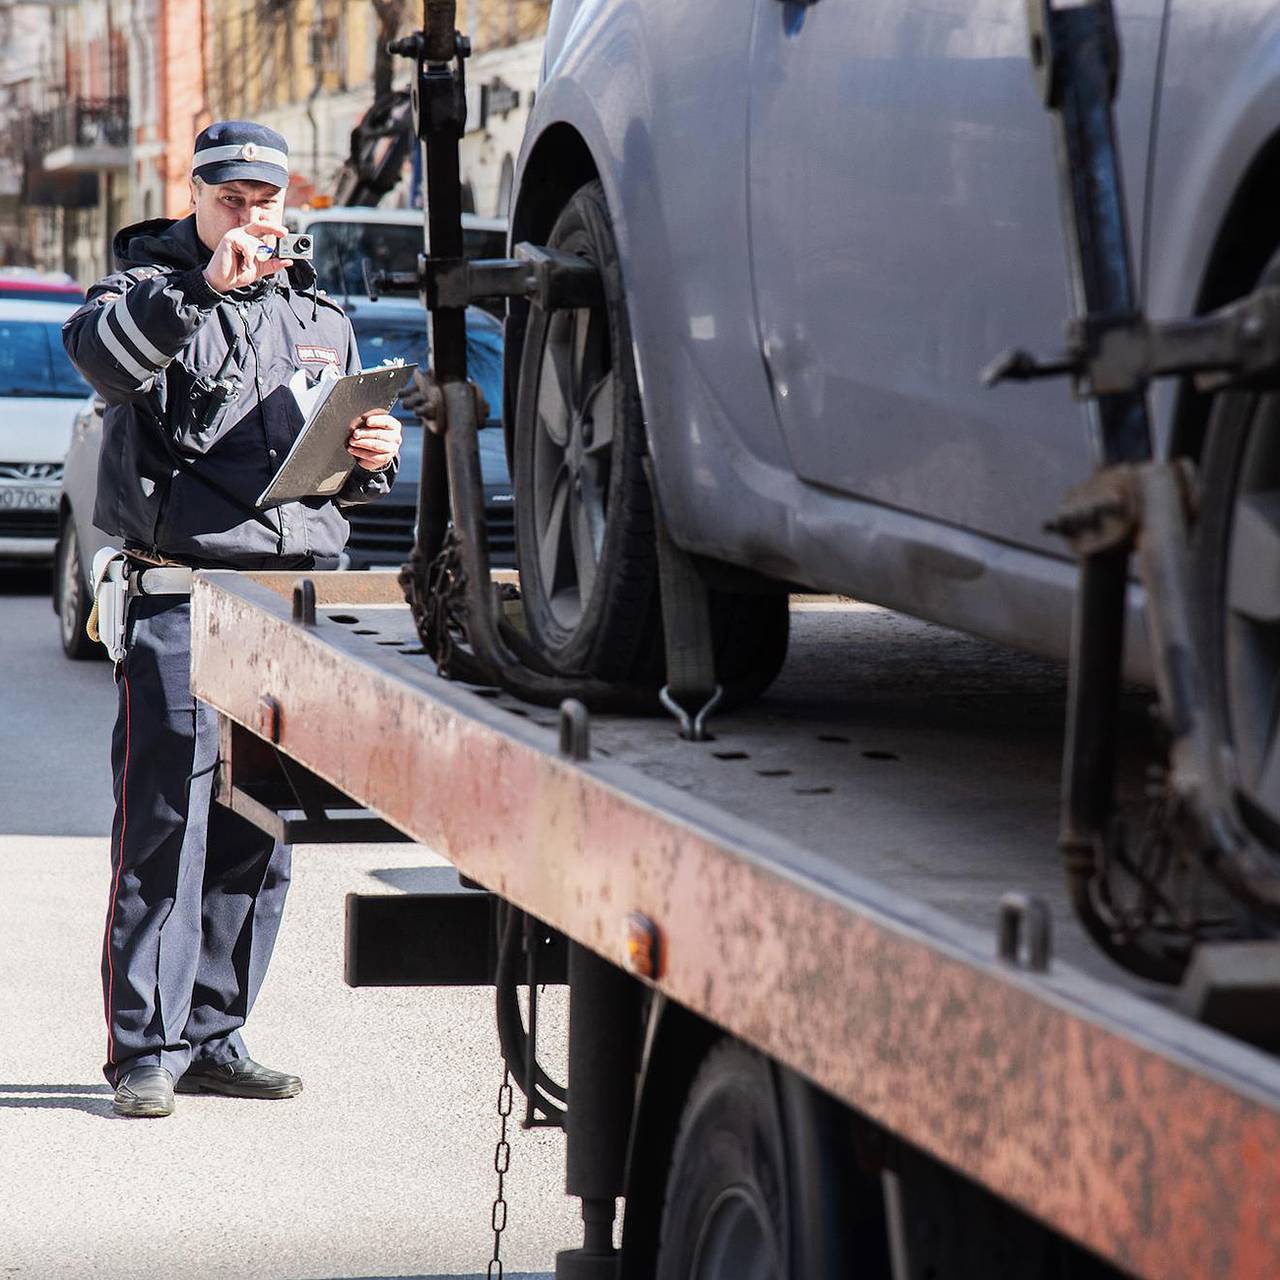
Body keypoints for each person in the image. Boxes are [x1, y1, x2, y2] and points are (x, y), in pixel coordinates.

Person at [63, 121, 403, 1118]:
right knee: (166, 820)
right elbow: (104, 364)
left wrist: (373, 452)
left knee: (262, 828)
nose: (251, 217)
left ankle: (216, 1031)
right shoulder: (143, 291)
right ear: (197, 197)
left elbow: (335, 476)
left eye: (265, 200)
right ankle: (143, 1050)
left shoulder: (322, 316)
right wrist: (203, 284)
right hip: (183, 593)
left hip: (291, 603)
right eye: (230, 199)